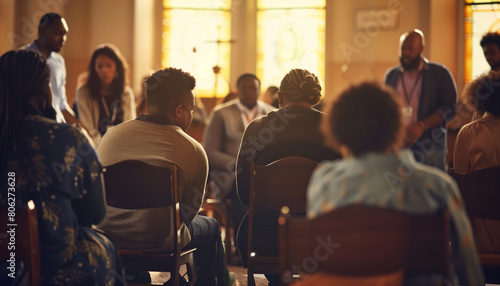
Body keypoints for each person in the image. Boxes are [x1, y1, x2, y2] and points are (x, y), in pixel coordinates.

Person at [306, 81, 484, 285]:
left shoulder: (324, 181)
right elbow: (468, 267)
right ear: (395, 126)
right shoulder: (437, 186)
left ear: (339, 132)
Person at [97, 68, 234, 286]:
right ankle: (208, 282)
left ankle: (132, 276)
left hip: (109, 236)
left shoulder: (110, 137)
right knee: (211, 226)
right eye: (192, 108)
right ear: (179, 111)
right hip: (160, 240)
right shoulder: (193, 150)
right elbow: (188, 213)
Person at [0, 49, 121, 285]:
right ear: (43, 89)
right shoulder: (69, 139)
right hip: (57, 268)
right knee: (103, 246)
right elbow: (96, 213)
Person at [235, 69, 341, 285]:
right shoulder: (333, 129)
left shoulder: (257, 129)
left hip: (266, 233)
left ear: (280, 97)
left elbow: (244, 194)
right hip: (319, 235)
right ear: (314, 97)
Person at [384, 29, 457, 171]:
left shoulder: (440, 73)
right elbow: (385, 109)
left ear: (421, 48)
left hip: (430, 145)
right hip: (399, 144)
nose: (405, 53)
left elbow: (450, 108)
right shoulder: (391, 75)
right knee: (399, 189)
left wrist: (421, 125)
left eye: (410, 49)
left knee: (432, 189)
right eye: (402, 48)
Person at [22, 12, 79, 125]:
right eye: (58, 33)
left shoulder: (59, 62)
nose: (63, 39)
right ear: (42, 32)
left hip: (58, 126)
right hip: (33, 127)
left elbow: (61, 105)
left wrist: (82, 129)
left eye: (65, 34)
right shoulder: (23, 58)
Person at [76, 44, 136, 146]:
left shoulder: (127, 93)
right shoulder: (83, 92)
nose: (104, 70)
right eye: (100, 66)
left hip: (123, 146)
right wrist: (104, 148)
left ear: (116, 68)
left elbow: (130, 126)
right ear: (94, 69)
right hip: (96, 147)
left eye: (109, 66)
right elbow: (88, 129)